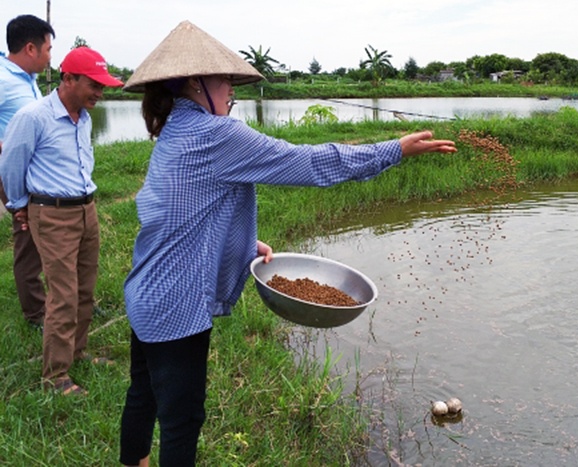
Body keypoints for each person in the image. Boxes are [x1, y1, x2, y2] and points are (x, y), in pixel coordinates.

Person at [118, 20, 456, 467]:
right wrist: (392, 150)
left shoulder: (176, 129)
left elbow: (174, 214)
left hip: (145, 289)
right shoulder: (215, 134)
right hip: (176, 303)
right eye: (225, 84)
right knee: (183, 417)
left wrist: (238, 243)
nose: (230, 95)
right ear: (196, 85)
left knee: (143, 391)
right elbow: (305, 163)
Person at [0, 46, 123, 395]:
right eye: (94, 85)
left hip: (86, 210)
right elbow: (10, 165)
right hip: (52, 214)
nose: (99, 93)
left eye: (103, 87)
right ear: (69, 79)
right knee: (64, 295)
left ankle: (78, 353)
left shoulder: (83, 118)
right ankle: (55, 377)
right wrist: (19, 205)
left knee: (85, 288)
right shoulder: (34, 116)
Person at [0, 14, 55, 328]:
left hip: (37, 173)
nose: (50, 57)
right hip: (14, 173)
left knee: (48, 232)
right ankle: (36, 313)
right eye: (48, 49)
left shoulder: (27, 80)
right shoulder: (3, 80)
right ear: (31, 48)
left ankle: (59, 298)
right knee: (27, 238)